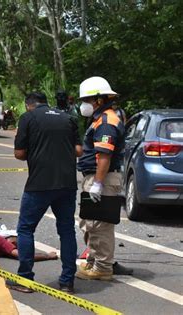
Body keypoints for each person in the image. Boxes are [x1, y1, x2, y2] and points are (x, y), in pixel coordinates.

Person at [8, 92, 83, 294]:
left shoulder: (28, 118)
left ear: (28, 105)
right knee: (66, 230)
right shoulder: (68, 118)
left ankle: (25, 280)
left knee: (25, 229)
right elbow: (78, 150)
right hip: (67, 184)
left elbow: (19, 153)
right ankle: (67, 281)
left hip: (39, 184)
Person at [76, 76, 131, 280]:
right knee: (90, 223)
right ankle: (93, 261)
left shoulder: (107, 122)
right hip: (96, 177)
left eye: (87, 101)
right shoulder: (100, 119)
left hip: (103, 179)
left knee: (100, 225)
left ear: (98, 100)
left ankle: (103, 267)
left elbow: (104, 157)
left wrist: (98, 184)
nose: (84, 105)